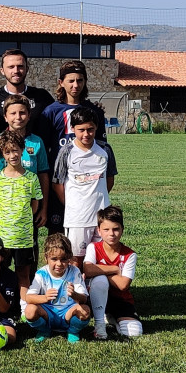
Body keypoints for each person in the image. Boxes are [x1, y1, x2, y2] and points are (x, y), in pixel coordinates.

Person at [42, 60, 117, 236]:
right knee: (58, 239)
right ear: (61, 82)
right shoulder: (50, 112)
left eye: (80, 80)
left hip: (88, 190)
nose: (76, 85)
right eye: (71, 80)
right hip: (60, 185)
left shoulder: (94, 111)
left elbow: (101, 151)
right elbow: (45, 150)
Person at [0, 130, 43, 312]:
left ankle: (23, 308)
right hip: (2, 236)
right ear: (2, 154)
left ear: (22, 150)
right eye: (8, 152)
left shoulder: (31, 178)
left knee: (23, 273)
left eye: (16, 150)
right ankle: (0, 305)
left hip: (24, 236)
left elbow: (35, 203)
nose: (13, 155)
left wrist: (24, 219)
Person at [52, 108, 112, 265]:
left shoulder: (105, 150)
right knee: (76, 260)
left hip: (102, 217)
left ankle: (99, 289)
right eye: (81, 130)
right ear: (73, 129)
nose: (86, 134)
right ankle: (77, 289)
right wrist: (73, 204)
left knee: (102, 259)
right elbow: (57, 183)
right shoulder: (66, 152)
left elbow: (109, 179)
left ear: (96, 128)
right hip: (77, 218)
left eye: (90, 129)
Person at [0, 94, 50, 226]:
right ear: (5, 116)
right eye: (13, 113)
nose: (18, 117)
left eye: (22, 113)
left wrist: (43, 209)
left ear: (29, 115)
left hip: (28, 208)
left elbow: (43, 176)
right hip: (3, 211)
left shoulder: (36, 142)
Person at [81, 206, 143, 340]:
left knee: (134, 332)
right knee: (100, 280)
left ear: (122, 230)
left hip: (120, 299)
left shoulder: (130, 254)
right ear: (99, 231)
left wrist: (99, 270)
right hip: (94, 297)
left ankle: (110, 317)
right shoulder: (93, 247)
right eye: (106, 229)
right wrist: (114, 268)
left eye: (116, 229)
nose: (111, 234)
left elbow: (123, 285)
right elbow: (88, 269)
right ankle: (99, 324)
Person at [24, 233, 91, 343]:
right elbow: (28, 298)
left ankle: (73, 331)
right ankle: (44, 330)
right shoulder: (42, 273)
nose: (59, 263)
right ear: (46, 258)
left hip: (68, 313)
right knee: (30, 310)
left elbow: (84, 299)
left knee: (85, 311)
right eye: (54, 259)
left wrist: (74, 294)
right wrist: (45, 298)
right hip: (48, 313)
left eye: (63, 259)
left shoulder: (74, 271)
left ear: (69, 258)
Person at [0, 48, 55, 138]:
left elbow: (56, 126)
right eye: (11, 67)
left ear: (27, 69)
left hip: (36, 151)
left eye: (20, 66)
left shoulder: (42, 96)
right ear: (2, 70)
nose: (16, 71)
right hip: (3, 151)